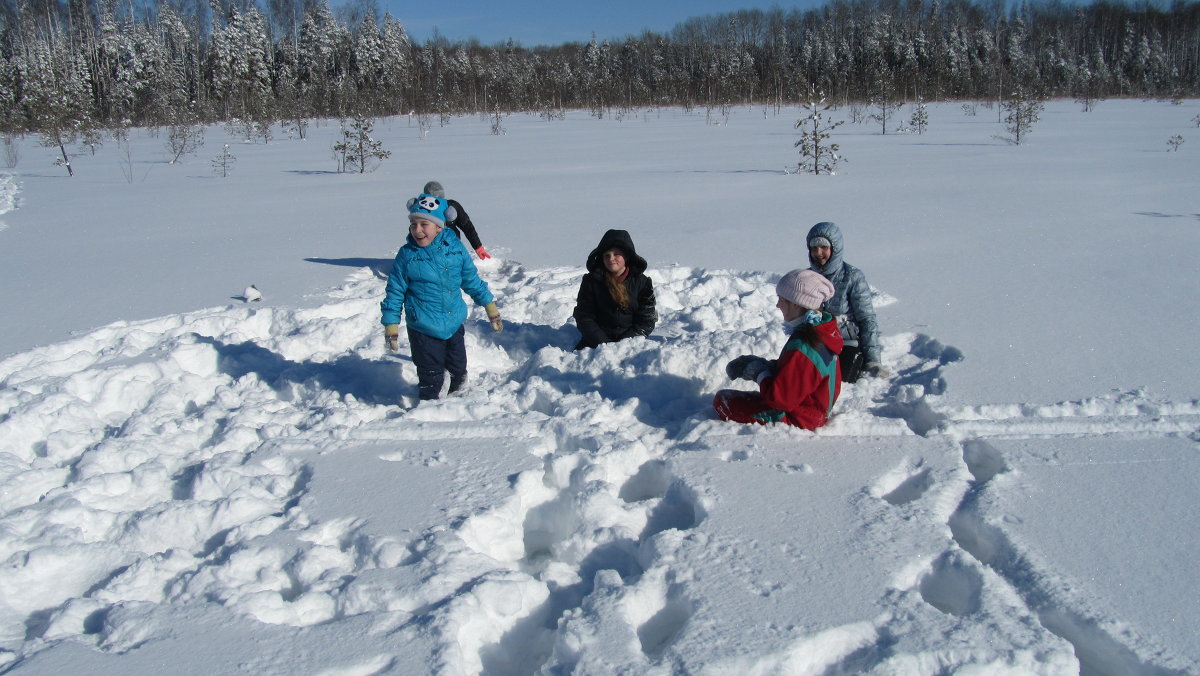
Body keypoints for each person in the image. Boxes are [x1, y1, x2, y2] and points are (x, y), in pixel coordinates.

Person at [381, 193, 503, 401]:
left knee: (458, 369)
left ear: (439, 226)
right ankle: (430, 408)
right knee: (431, 375)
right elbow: (395, 290)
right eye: (413, 224)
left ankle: (458, 398)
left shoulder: (455, 250)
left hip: (454, 322)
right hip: (423, 327)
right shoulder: (407, 255)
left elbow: (471, 280)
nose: (417, 230)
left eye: (423, 224)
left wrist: (490, 307)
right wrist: (391, 326)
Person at [714, 269, 843, 430]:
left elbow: (780, 399)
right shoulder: (820, 332)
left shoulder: (805, 345)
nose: (777, 305)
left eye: (781, 299)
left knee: (723, 401)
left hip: (800, 418)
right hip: (811, 409)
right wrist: (765, 366)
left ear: (796, 303)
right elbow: (800, 374)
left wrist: (759, 374)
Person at [805, 221, 888, 382]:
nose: (818, 252)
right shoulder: (808, 278)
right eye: (814, 248)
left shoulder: (852, 277)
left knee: (837, 379)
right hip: (817, 342)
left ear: (835, 249)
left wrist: (873, 360)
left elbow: (867, 319)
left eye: (824, 247)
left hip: (847, 343)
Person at [572, 229, 657, 350]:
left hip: (631, 345)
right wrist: (603, 344)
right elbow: (584, 317)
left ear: (627, 257)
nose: (611, 258)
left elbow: (646, 320)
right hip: (595, 344)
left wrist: (625, 344)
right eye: (607, 255)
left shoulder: (642, 283)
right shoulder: (591, 281)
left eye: (616, 254)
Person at [423, 180, 491, 260]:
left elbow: (467, 227)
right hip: (430, 251)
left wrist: (478, 247)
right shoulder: (422, 210)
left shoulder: (452, 206)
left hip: (450, 248)